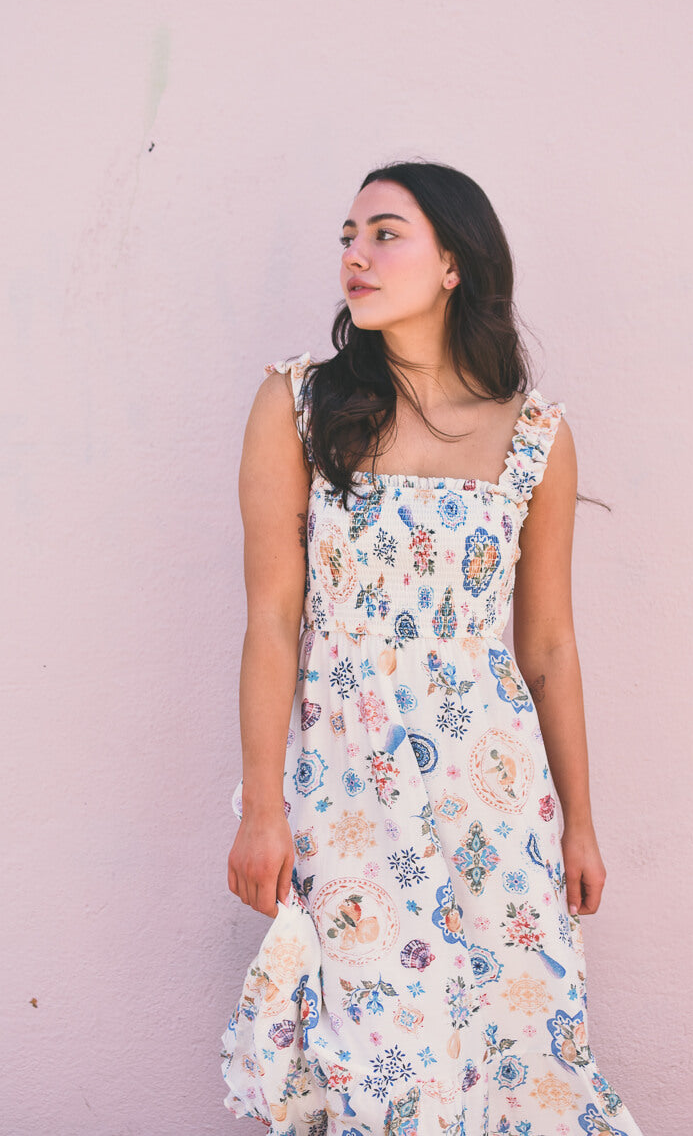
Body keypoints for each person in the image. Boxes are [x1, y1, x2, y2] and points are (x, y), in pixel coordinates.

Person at [220, 160, 644, 1136]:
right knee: (377, 1055)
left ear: (454, 263)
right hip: (347, 785)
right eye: (348, 237)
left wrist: (579, 824)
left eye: (384, 233)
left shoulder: (534, 435)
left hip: (492, 792)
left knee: (512, 1044)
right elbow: (272, 619)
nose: (355, 256)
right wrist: (262, 808)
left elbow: (547, 645)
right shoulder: (297, 405)